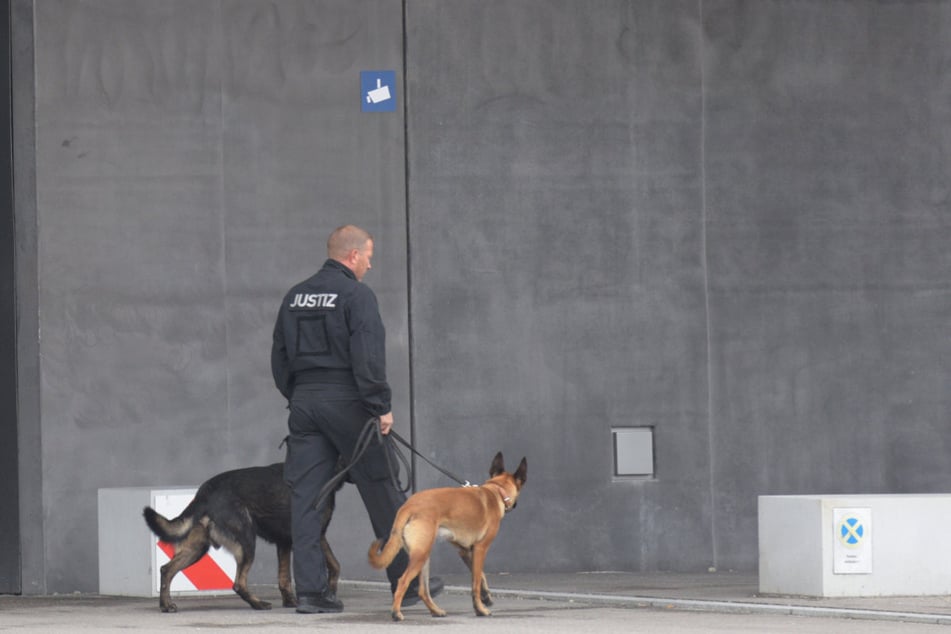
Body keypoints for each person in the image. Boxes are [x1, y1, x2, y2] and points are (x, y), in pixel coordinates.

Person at [271, 224, 442, 614]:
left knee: (307, 497)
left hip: (305, 402)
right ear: (352, 256)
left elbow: (278, 357)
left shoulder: (294, 296)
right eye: (368, 255)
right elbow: (367, 357)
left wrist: (297, 395)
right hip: (350, 402)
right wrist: (379, 404)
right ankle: (408, 582)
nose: (370, 263)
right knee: (383, 489)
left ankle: (312, 594)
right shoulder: (356, 295)